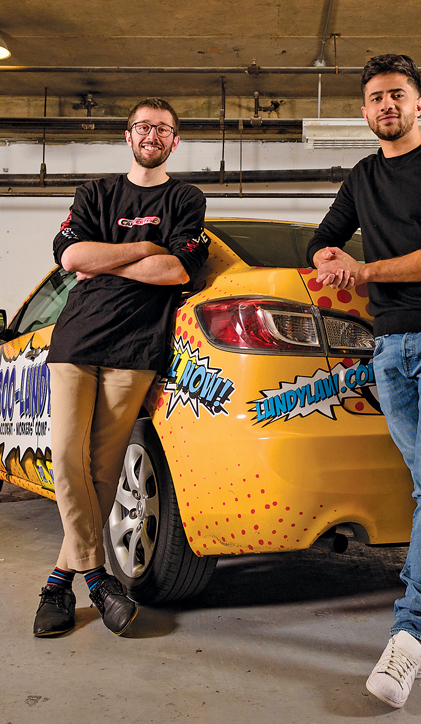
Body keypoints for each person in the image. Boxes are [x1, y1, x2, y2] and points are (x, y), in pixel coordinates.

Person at [307, 54, 421, 708]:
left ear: (419, 105)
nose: (387, 105)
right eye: (377, 98)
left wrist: (361, 272)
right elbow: (323, 242)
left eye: (398, 95)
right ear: (364, 112)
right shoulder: (362, 177)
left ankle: (411, 634)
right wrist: (329, 257)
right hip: (390, 347)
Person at [33, 97, 209, 638]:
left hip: (137, 348)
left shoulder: (185, 197)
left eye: (163, 129)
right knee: (66, 458)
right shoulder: (97, 192)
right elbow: (69, 258)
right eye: (143, 126)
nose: (152, 135)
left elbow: (177, 267)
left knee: (102, 471)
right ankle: (96, 579)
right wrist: (143, 251)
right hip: (78, 340)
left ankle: (59, 583)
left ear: (175, 141)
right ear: (127, 134)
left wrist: (106, 253)